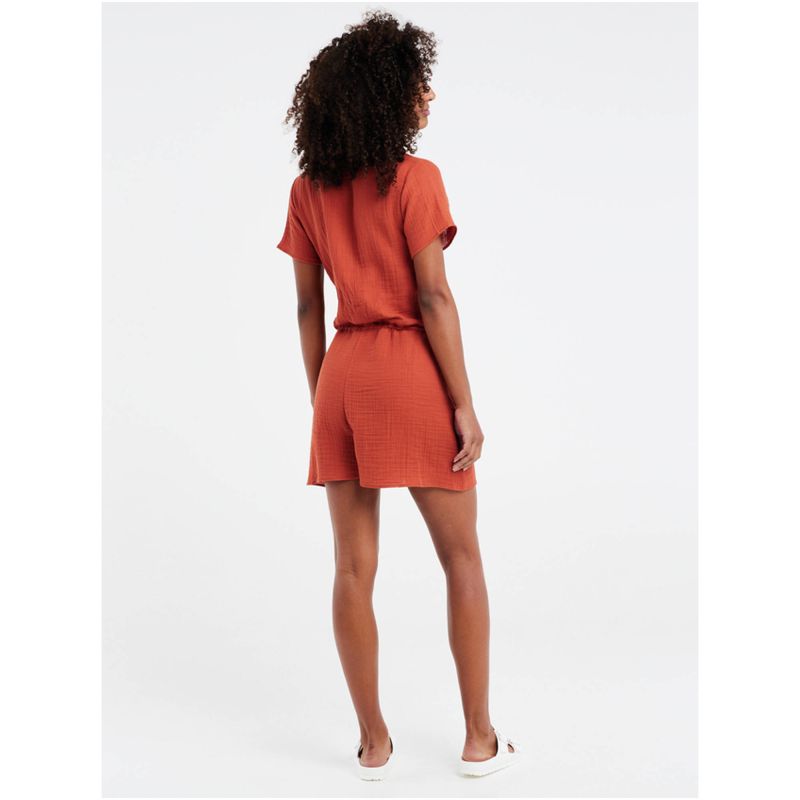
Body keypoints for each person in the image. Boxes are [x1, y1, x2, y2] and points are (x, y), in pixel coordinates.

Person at [276, 10, 519, 780]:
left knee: (352, 569)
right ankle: (479, 740)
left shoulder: (307, 189)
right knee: (462, 556)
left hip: (342, 376)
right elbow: (434, 298)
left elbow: (308, 306)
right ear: (387, 95)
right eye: (419, 84)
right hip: (409, 370)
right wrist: (464, 402)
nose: (429, 96)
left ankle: (373, 744)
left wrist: (321, 396)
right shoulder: (415, 179)